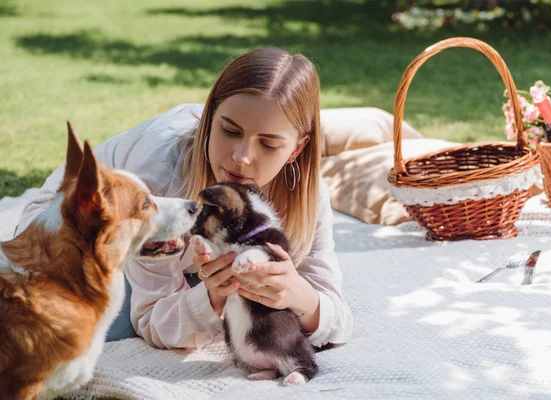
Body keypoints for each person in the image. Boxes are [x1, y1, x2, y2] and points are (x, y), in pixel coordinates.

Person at [15, 47, 353, 350]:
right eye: (230, 131)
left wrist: (301, 297)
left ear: (297, 148)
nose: (241, 157)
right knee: (90, 328)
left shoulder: (304, 195)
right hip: (77, 231)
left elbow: (338, 319)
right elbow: (149, 319)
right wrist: (213, 296)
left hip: (177, 261)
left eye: (268, 144)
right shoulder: (160, 179)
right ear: (209, 119)